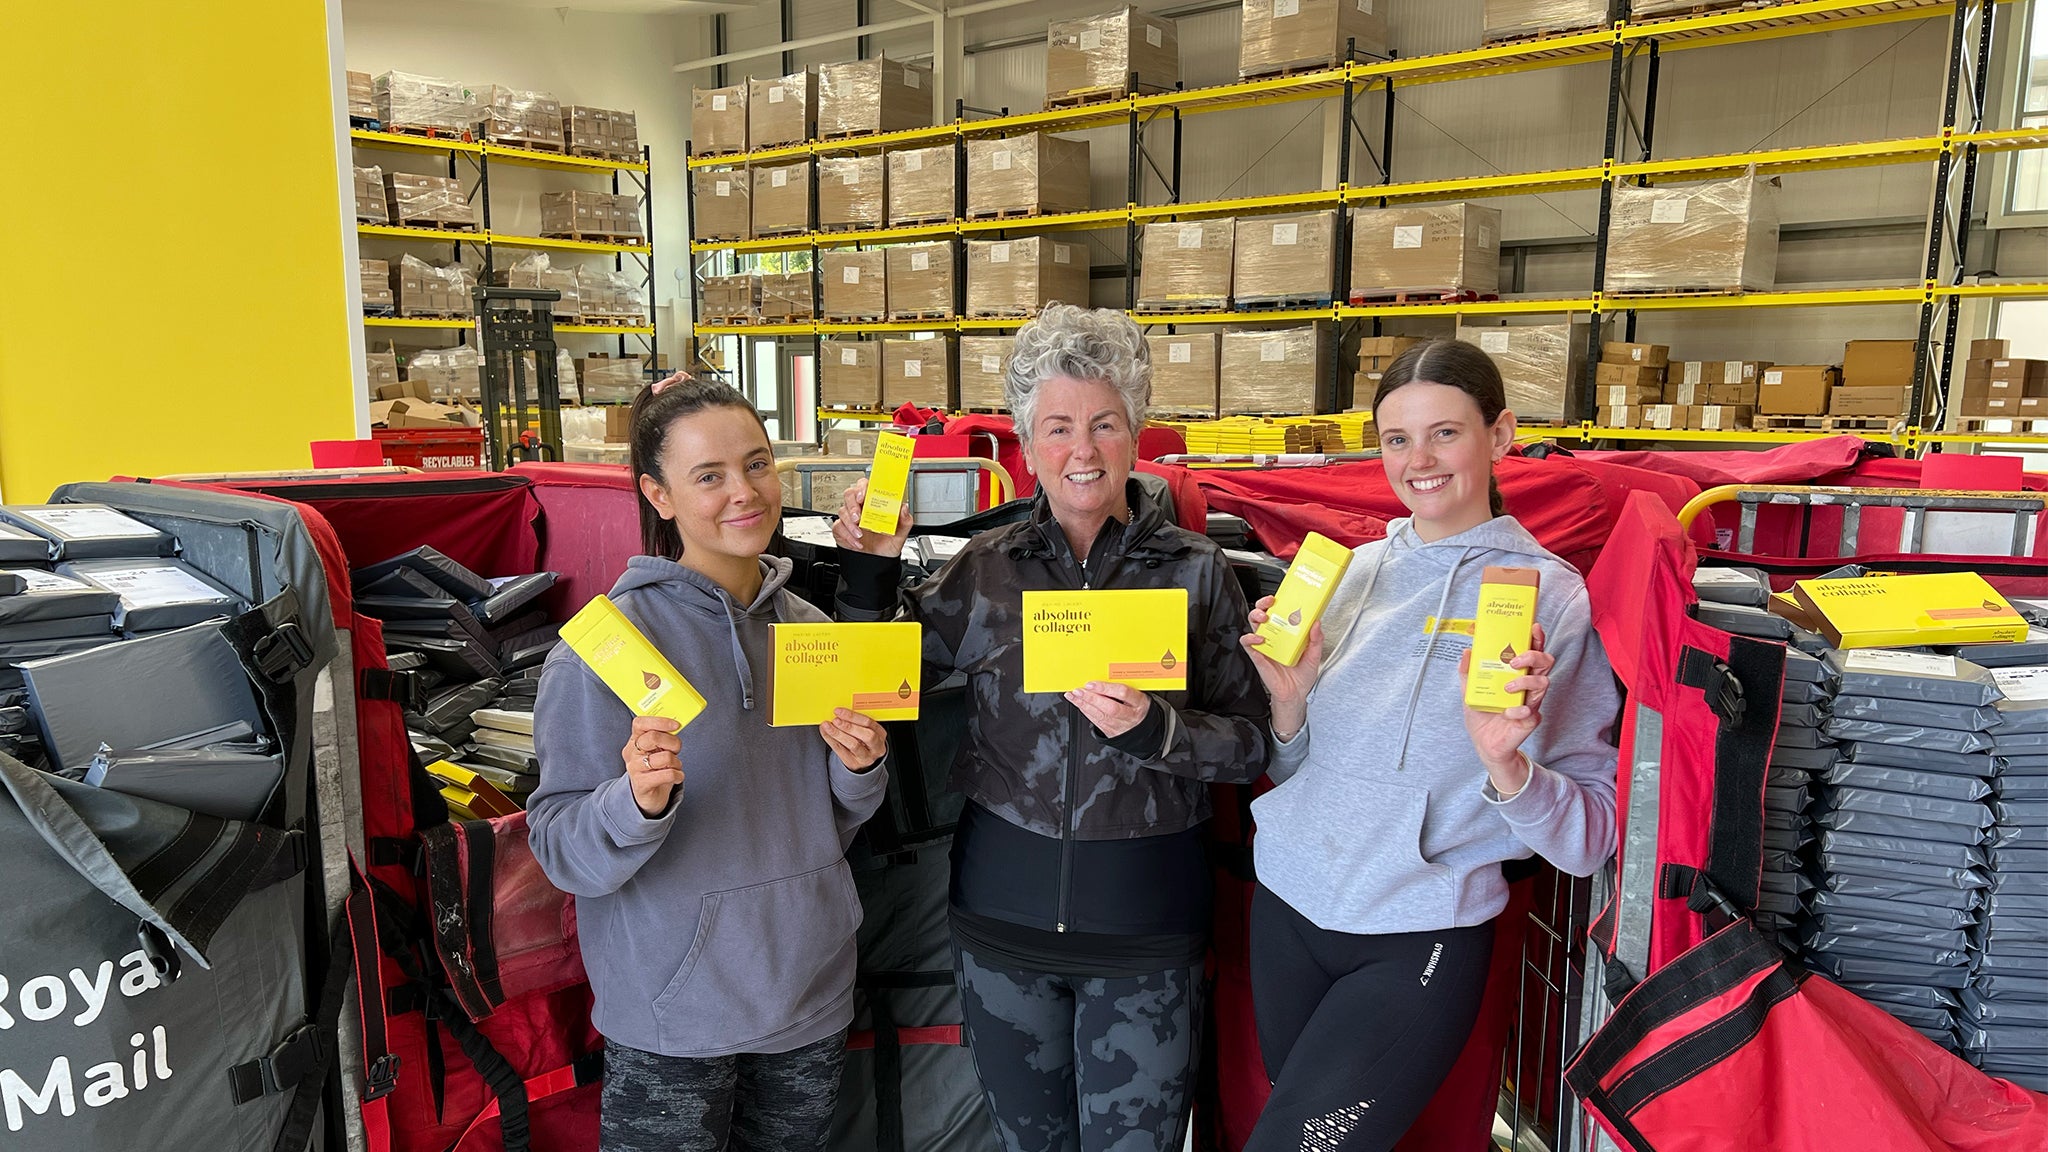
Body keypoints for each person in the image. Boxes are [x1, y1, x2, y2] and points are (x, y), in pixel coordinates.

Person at [832, 304, 1271, 1152]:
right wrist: (868, 570)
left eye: (1104, 424)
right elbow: (871, 682)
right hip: (1002, 927)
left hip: (1145, 933)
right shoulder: (985, 570)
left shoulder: (1194, 570)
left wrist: (1158, 733)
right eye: (1058, 426)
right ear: (1026, 445)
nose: (1083, 450)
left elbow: (1252, 740)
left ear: (1136, 433)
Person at [1240, 338, 1620, 1152]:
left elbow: (1589, 838)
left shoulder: (1553, 599)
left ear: (1502, 433)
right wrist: (1289, 705)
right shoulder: (1344, 575)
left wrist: (1507, 767)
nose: (1419, 461)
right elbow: (1291, 768)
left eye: (1445, 433)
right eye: (1396, 439)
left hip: (1418, 937)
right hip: (1287, 911)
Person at [528, 375, 891, 1152]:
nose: (745, 493)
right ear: (659, 496)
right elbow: (560, 848)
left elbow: (831, 820)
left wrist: (860, 770)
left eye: (757, 464)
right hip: (670, 1021)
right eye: (709, 476)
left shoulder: (813, 631)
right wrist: (635, 803)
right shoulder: (603, 651)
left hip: (809, 999)